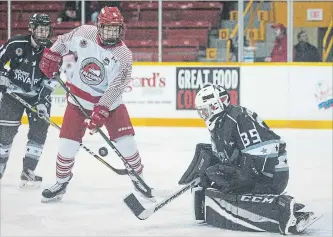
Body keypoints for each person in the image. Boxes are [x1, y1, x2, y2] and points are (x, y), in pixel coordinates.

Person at [179, 84, 320, 235]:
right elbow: (230, 156)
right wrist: (205, 169)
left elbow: (259, 158)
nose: (203, 115)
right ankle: (275, 206)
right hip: (255, 171)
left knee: (226, 194)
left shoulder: (238, 118)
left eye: (204, 111)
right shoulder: (223, 121)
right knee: (214, 189)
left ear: (215, 106)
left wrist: (230, 177)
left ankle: (281, 207)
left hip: (271, 176)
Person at [38, 7, 146, 203]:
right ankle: (61, 182)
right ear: (99, 26)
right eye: (108, 29)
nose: (111, 34)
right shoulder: (84, 32)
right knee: (67, 146)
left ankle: (139, 179)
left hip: (110, 106)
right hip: (77, 102)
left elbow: (115, 88)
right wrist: (53, 54)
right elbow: (63, 41)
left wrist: (101, 111)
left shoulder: (123, 55)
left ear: (121, 29)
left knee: (127, 144)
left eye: (115, 29)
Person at [0, 13, 55, 187]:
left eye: (46, 29)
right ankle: (1, 165)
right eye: (40, 29)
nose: (43, 33)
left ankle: (28, 171)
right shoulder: (16, 43)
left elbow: (52, 79)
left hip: (38, 97)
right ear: (31, 28)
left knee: (39, 133)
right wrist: (2, 77)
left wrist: (42, 100)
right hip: (13, 93)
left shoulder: (52, 51)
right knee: (5, 134)